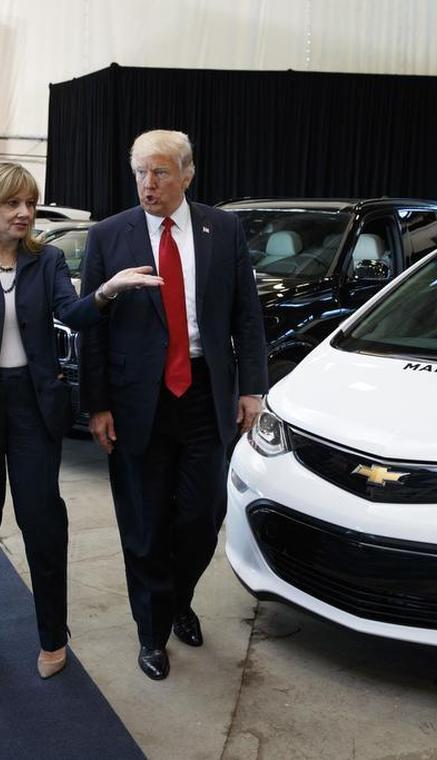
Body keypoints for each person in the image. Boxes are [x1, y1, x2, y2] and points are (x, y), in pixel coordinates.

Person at [0, 162, 161, 681]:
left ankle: (53, 636)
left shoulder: (48, 259)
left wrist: (105, 292)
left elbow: (73, 314)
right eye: (13, 203)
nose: (24, 213)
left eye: (30, 203)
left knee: (43, 525)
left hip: (34, 408)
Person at [79, 130, 268, 680]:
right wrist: (96, 404)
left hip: (204, 394)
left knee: (200, 516)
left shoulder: (222, 229)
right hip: (138, 402)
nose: (148, 184)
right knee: (143, 523)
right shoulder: (108, 236)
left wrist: (252, 388)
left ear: (187, 175)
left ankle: (177, 595)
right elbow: (92, 332)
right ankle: (151, 631)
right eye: (139, 172)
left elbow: (246, 316)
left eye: (160, 172)